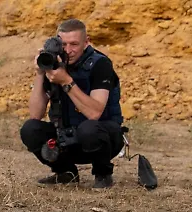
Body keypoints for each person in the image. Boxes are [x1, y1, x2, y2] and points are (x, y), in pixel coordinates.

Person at [20, 19, 124, 189]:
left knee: (89, 129)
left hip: (102, 139)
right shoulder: (55, 64)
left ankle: (103, 174)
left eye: (74, 44)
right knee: (30, 129)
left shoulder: (100, 64)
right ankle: (65, 173)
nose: (68, 50)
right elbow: (35, 114)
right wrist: (40, 73)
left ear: (86, 42)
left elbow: (94, 113)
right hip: (66, 139)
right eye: (63, 45)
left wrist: (66, 81)